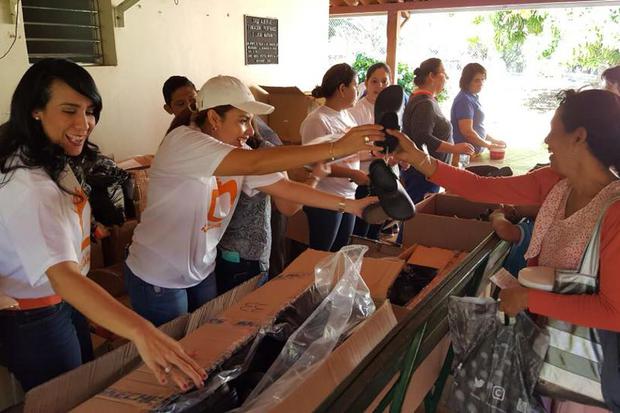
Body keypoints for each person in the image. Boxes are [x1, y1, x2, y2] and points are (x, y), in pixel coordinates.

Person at [390, 89, 620, 411]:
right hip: (543, 348)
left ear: (579, 137)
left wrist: (529, 298)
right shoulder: (556, 182)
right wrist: (419, 158)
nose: (546, 140)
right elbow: (480, 188)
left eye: (553, 129)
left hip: (585, 370)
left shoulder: (614, 212)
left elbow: (614, 311)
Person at [0, 59, 206, 392]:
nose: (84, 123)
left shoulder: (48, 155)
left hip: (61, 302)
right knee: (67, 397)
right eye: (69, 110)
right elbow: (61, 276)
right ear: (36, 110)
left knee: (82, 387)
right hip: (35, 314)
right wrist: (141, 331)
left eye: (90, 110)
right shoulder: (26, 182)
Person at [124, 75, 383, 326]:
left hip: (201, 271)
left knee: (207, 340)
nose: (250, 131)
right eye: (243, 121)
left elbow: (285, 189)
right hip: (158, 275)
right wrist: (336, 148)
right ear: (214, 118)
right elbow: (258, 162)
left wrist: (351, 206)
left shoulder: (241, 153)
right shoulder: (184, 141)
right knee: (175, 353)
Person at [300, 63, 368, 251]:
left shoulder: (346, 116)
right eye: (355, 85)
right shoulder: (317, 120)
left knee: (340, 251)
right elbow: (312, 164)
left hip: (348, 195)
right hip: (325, 199)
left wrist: (373, 155)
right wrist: (353, 174)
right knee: (320, 254)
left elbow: (350, 153)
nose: (358, 89)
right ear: (342, 89)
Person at [400, 58, 474, 205]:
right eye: (443, 73)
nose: (446, 78)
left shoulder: (424, 100)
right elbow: (422, 138)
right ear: (431, 76)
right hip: (423, 172)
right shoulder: (425, 103)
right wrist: (454, 148)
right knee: (417, 214)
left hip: (426, 171)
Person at [349, 62, 392, 240]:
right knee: (361, 232)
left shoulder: (391, 110)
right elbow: (350, 152)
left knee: (375, 230)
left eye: (384, 81)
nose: (379, 86)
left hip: (382, 178)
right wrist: (374, 153)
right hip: (363, 180)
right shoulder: (357, 111)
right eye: (374, 81)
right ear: (366, 83)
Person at [450, 63, 506, 154]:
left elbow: (478, 127)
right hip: (466, 155)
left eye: (482, 79)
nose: (481, 84)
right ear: (467, 81)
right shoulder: (464, 100)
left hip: (474, 152)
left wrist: (493, 141)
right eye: (476, 80)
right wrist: (488, 146)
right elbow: (467, 132)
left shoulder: (472, 97)